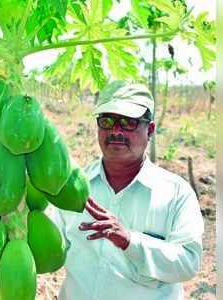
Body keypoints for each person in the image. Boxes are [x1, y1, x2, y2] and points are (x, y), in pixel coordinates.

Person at [51, 81, 204, 300]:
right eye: (107, 121)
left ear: (150, 129)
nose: (115, 131)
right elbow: (50, 250)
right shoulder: (73, 187)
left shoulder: (175, 194)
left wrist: (130, 241)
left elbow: (188, 262)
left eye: (127, 123)